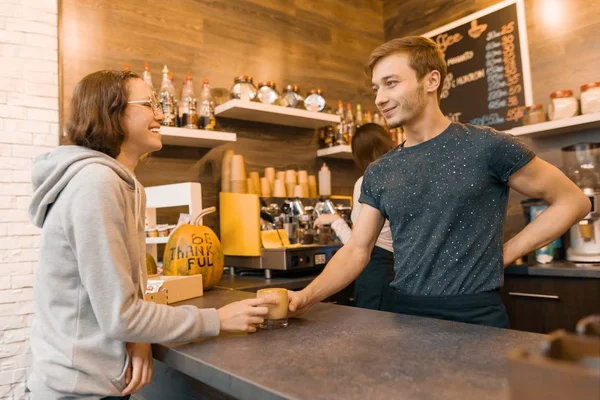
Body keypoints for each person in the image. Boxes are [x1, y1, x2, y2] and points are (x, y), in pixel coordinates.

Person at [288, 36, 591, 328]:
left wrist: (505, 253)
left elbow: (573, 201)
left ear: (431, 80)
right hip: (404, 316)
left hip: (476, 316)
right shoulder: (380, 170)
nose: (380, 98)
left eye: (391, 83)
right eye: (376, 88)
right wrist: (305, 297)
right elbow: (356, 250)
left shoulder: (487, 146)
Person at [27, 70, 275, 400]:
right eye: (149, 103)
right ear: (112, 113)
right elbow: (120, 314)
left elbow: (121, 303)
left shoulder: (119, 183)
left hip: (96, 382)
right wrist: (217, 319)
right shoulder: (95, 185)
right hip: (75, 390)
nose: (161, 114)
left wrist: (136, 336)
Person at [314, 123, 395, 310]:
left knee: (371, 335)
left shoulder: (367, 181)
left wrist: (335, 221)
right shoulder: (401, 178)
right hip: (402, 273)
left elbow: (358, 246)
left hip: (375, 272)